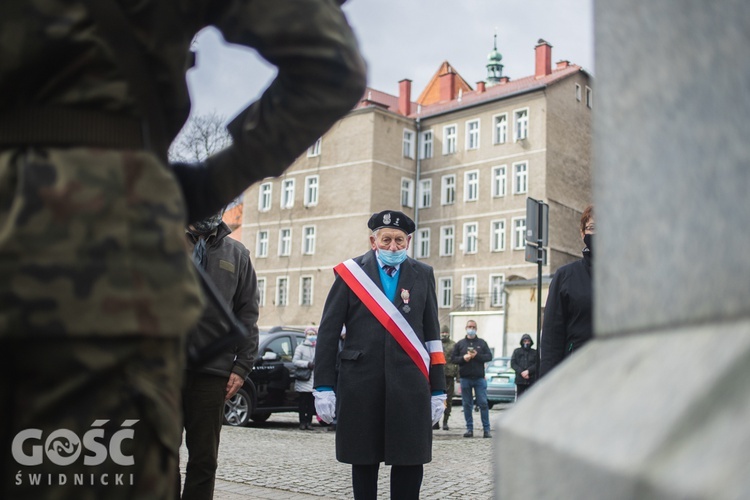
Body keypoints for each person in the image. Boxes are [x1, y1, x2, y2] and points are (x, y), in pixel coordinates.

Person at [0, 2, 365, 498]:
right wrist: (203, 184)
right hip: (93, 233)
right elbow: (330, 67)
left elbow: (247, 309)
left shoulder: (233, 253)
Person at [314, 210, 447, 500]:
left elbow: (432, 337)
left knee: (410, 460)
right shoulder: (352, 274)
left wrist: (438, 389)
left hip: (409, 383)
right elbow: (328, 332)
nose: (393, 247)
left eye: (400, 240)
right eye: (386, 239)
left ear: (409, 241)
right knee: (364, 459)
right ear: (373, 240)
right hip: (361, 381)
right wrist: (323, 386)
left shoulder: (423, 274)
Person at [180, 210, 259, 499]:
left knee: (204, 459)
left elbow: (247, 314)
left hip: (213, 373)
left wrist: (242, 367)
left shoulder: (237, 253)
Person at [540, 205, 595, 378]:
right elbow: (551, 338)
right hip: (577, 375)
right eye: (593, 228)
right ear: (582, 233)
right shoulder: (566, 276)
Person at [451, 320, 493, 438]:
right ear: (466, 328)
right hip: (465, 378)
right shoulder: (460, 344)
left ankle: (486, 429)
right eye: (469, 326)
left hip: (479, 378)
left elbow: (489, 356)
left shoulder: (481, 343)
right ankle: (469, 429)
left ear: (476, 329)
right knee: (467, 404)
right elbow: (453, 359)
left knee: (483, 403)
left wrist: (477, 356)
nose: (471, 328)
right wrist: (464, 358)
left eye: (473, 327)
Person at [293, 327, 318, 431]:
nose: (312, 336)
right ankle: (302, 422)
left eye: (313, 334)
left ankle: (309, 422)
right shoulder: (301, 347)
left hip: (314, 378)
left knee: (311, 403)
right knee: (303, 403)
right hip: (304, 378)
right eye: (310, 334)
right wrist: (307, 364)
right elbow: (295, 361)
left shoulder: (318, 347)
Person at [437, 325, 459, 431]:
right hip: (437, 375)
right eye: (442, 333)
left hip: (449, 375)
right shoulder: (437, 344)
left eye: (445, 333)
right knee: (436, 398)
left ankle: (445, 421)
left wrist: (458, 376)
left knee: (448, 400)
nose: (444, 335)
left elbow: (457, 361)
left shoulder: (453, 345)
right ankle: (435, 421)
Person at [510, 334, 537, 398]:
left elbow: (537, 364)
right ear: (522, 342)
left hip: (531, 379)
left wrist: (528, 371)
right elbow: (513, 363)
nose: (526, 343)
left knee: (531, 398)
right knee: (520, 398)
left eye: (528, 341)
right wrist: (522, 372)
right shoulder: (517, 351)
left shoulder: (534, 352)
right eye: (525, 341)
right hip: (520, 380)